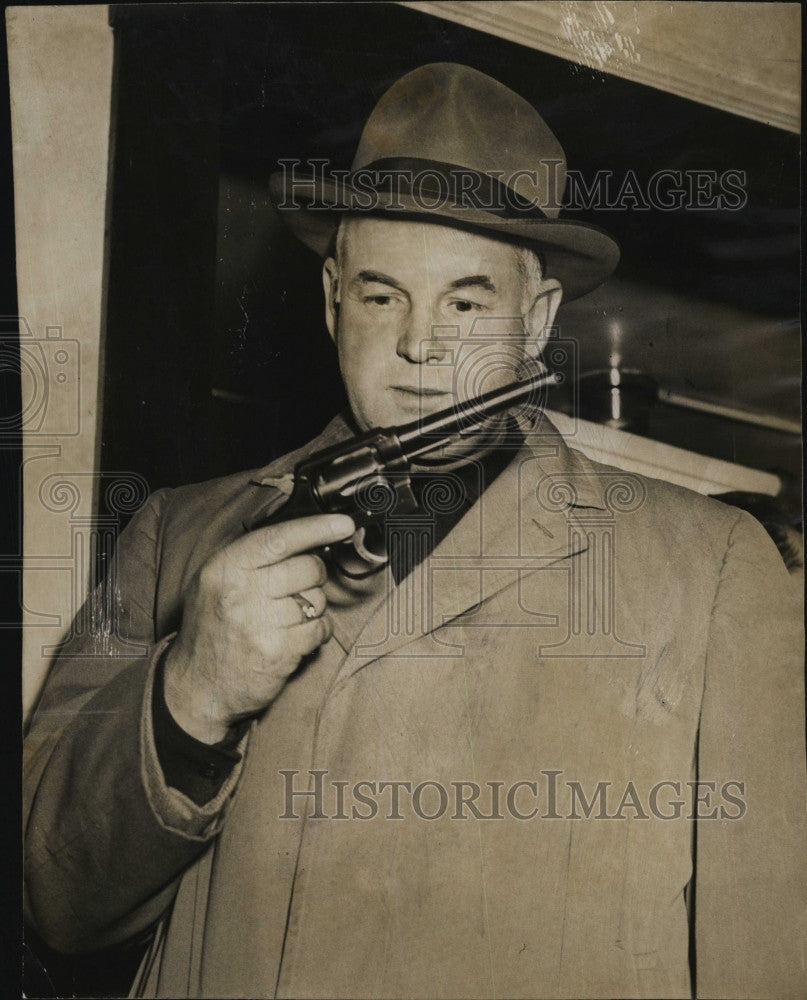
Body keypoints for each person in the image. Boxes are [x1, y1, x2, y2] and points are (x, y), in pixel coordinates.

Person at [24, 63, 805, 999]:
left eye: (467, 303)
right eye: (381, 294)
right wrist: (190, 691)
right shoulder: (172, 537)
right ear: (330, 299)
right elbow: (52, 898)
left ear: (537, 319)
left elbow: (766, 956)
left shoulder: (715, 571)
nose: (420, 344)